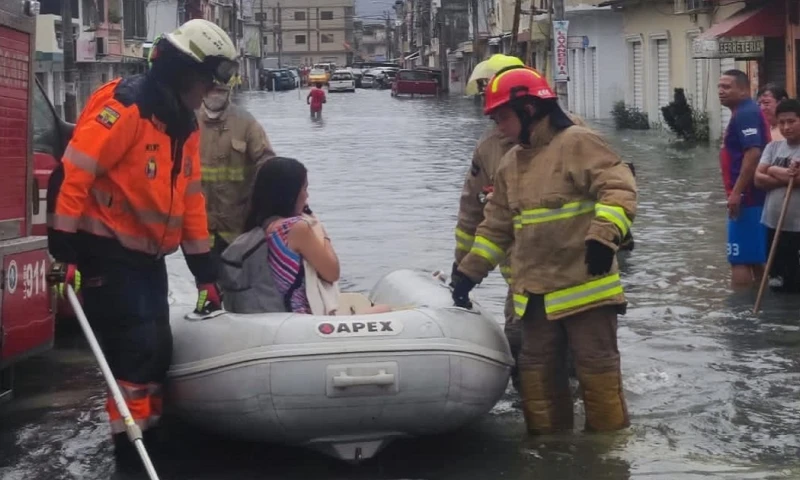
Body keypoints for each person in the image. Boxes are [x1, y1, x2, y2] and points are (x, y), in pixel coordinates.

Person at [46, 19, 235, 472]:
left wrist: (204, 274)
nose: (208, 90)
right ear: (182, 71)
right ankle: (131, 454)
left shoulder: (182, 127)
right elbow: (73, 175)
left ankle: (149, 439)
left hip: (148, 257)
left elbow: (190, 201)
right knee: (133, 351)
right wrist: (65, 251)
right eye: (205, 79)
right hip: (105, 250)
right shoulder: (124, 107)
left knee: (156, 350)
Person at [450, 67, 636, 434]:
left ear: (530, 110)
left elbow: (619, 188)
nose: (497, 126)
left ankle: (607, 459)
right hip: (533, 298)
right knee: (535, 383)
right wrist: (467, 272)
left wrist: (604, 235)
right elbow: (495, 228)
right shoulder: (509, 163)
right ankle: (550, 457)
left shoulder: (577, 142)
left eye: (502, 116)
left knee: (597, 378)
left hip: (586, 290)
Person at [243, 157, 390, 314]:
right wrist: (320, 230)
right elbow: (332, 273)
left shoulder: (260, 226)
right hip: (301, 319)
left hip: (274, 315)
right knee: (386, 309)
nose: (307, 196)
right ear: (290, 193)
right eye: (304, 189)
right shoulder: (295, 228)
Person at [198, 82, 276, 270]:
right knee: (206, 289)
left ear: (229, 92)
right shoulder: (187, 121)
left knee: (239, 288)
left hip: (239, 228)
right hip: (200, 230)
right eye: (210, 90)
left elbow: (267, 165)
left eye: (220, 91)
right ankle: (206, 300)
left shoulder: (246, 122)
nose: (215, 95)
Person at [718, 69, 771, 288]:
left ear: (743, 90)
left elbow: (753, 153)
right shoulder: (743, 112)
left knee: (738, 259)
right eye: (719, 87)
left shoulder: (746, 113)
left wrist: (737, 193)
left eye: (727, 87)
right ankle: (762, 306)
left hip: (748, 197)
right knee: (755, 258)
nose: (721, 91)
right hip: (752, 196)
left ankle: (739, 315)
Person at [754, 98, 800, 293]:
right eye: (781, 122)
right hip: (773, 224)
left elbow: (797, 181)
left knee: (795, 280)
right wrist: (778, 171)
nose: (786, 127)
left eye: (791, 121)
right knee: (776, 279)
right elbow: (757, 179)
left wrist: (771, 170)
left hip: (797, 228)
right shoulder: (772, 147)